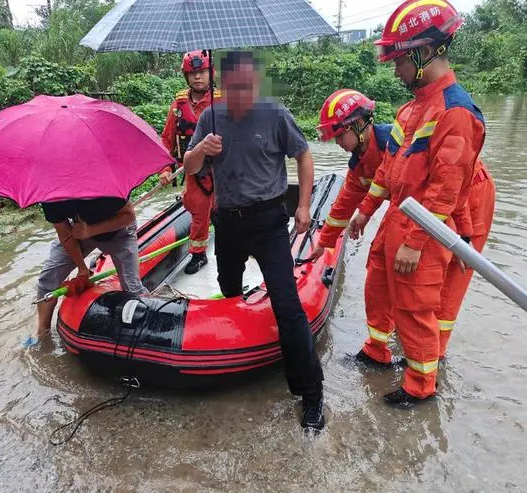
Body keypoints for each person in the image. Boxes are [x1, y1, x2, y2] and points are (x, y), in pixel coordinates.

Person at [348, 0, 493, 407]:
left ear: (424, 52)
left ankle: (420, 386)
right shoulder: (412, 108)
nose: (395, 70)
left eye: (399, 61)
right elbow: (389, 168)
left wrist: (415, 241)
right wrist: (365, 211)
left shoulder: (456, 112)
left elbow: (446, 188)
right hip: (402, 213)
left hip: (426, 223)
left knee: (414, 305)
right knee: (377, 275)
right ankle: (378, 352)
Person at [183, 51, 325, 430]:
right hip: (227, 220)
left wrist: (305, 205)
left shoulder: (274, 114)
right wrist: (201, 150)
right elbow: (189, 166)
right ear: (224, 85)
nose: (242, 92)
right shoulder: (209, 117)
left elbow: (304, 155)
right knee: (228, 287)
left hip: (268, 221)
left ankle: (311, 393)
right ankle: (228, 356)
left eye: (248, 85)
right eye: (234, 86)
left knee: (287, 304)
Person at [311, 90, 401, 367]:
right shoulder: (359, 163)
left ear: (357, 125)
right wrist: (323, 242)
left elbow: (407, 189)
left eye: (339, 136)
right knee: (379, 266)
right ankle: (380, 349)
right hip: (408, 211)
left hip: (436, 211)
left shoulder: (395, 146)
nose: (338, 143)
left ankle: (425, 364)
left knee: (396, 269)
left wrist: (365, 213)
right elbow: (341, 208)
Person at [35, 197, 148, 340]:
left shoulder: (104, 183)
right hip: (79, 232)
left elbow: (128, 215)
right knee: (48, 280)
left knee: (133, 290)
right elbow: (64, 232)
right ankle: (42, 334)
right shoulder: (49, 195)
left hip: (118, 232)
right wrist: (82, 268)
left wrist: (91, 230)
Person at [160, 51, 221, 274]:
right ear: (186, 76)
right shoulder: (178, 105)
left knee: (225, 210)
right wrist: (166, 168)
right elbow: (167, 138)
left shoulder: (221, 100)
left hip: (222, 168)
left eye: (202, 72)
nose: (198, 77)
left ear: (210, 73)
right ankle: (198, 254)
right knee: (197, 209)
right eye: (193, 73)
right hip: (194, 169)